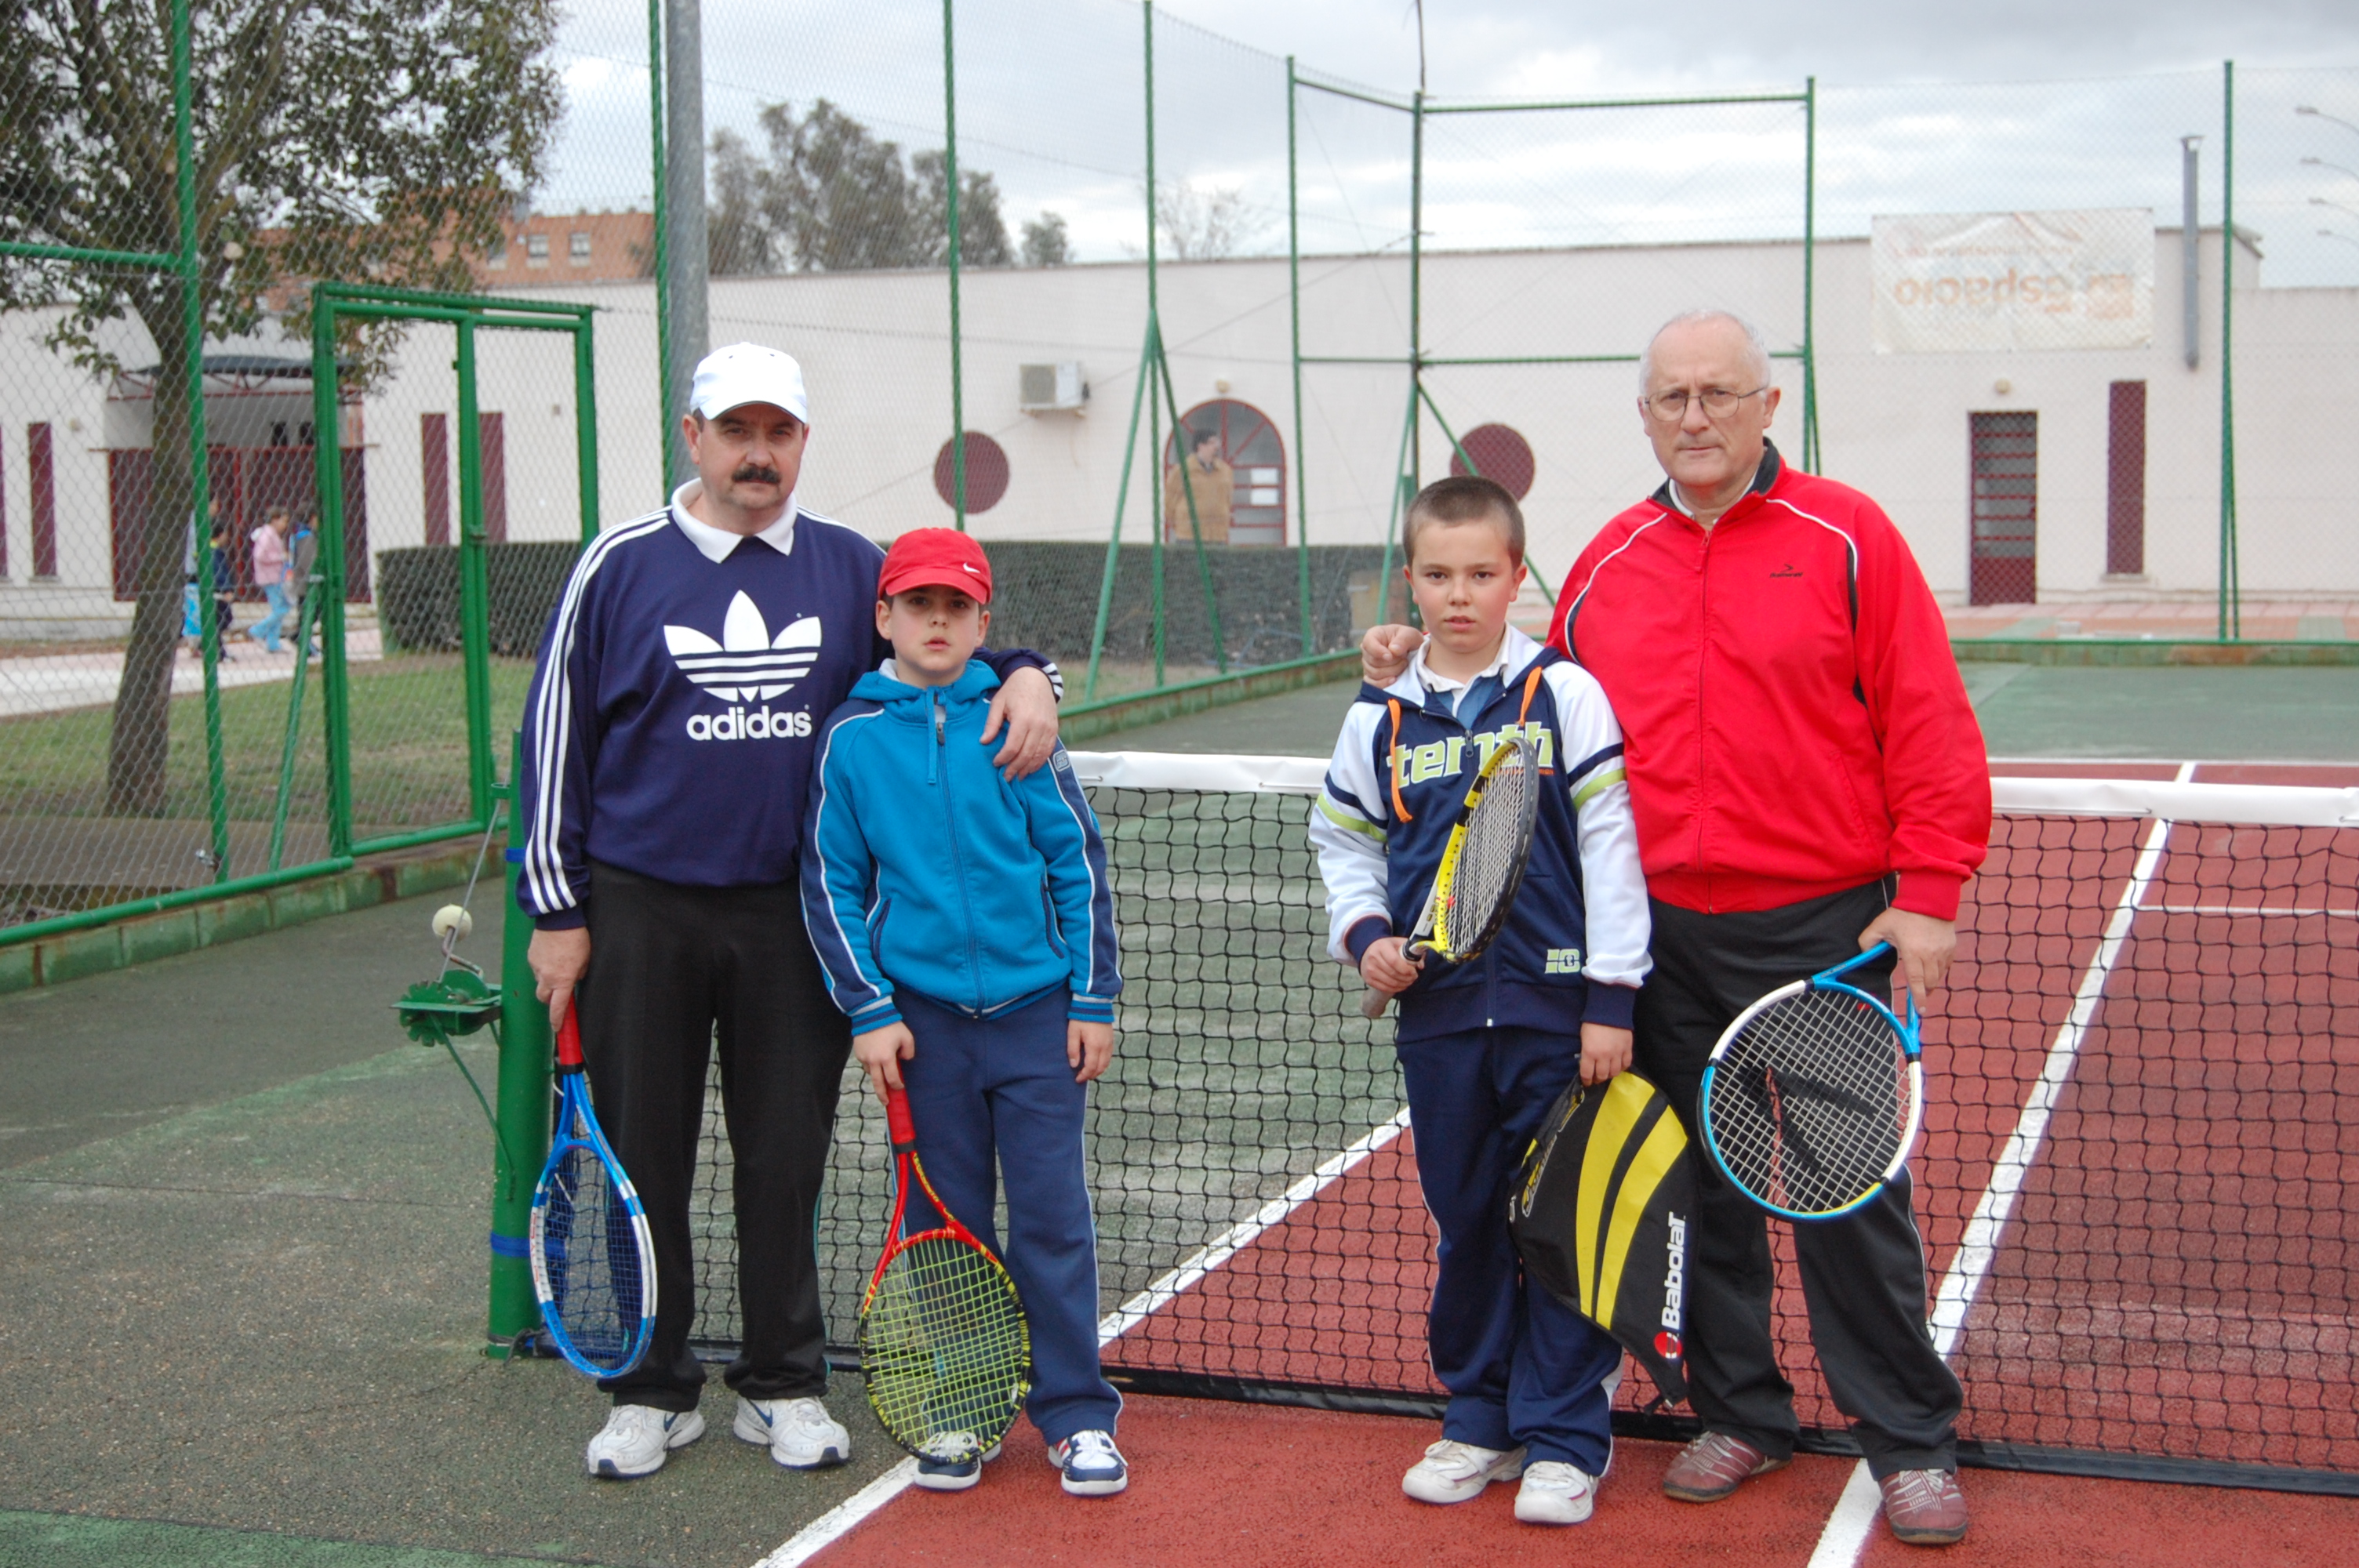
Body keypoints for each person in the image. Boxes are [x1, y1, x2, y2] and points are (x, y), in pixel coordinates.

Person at [1358, 310, 1990, 1548]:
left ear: (1767, 406)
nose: (1695, 418)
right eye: (1673, 398)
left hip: (1822, 936)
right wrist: (1414, 659)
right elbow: (1531, 704)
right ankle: (1740, 1412)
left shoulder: (1849, 537)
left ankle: (1909, 1437)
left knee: (1847, 1194)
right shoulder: (1609, 559)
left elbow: (1927, 717)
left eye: (1718, 394)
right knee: (1690, 1195)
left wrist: (1927, 889)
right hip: (1657, 941)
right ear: (1645, 416)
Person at [517, 343, 1066, 1482]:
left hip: (792, 918)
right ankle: (650, 1389)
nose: (757, 454)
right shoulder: (617, 564)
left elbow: (941, 644)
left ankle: (782, 1382)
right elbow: (553, 736)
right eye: (736, 431)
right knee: (644, 1156)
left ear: (802, 441)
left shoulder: (849, 566)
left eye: (778, 433)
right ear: (694, 437)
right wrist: (558, 908)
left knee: (784, 1157)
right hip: (639, 909)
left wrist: (1029, 673)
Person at [1310, 474, 1651, 1527]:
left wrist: (1610, 998)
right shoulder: (1380, 715)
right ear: (1410, 581)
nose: (1459, 595)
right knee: (1468, 1223)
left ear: (1515, 577)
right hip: (1443, 1020)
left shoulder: (1564, 694)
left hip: (1557, 1012)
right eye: (1438, 574)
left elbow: (1610, 847)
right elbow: (1344, 842)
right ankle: (1479, 1417)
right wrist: (1366, 937)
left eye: (1480, 573)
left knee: (1559, 1225)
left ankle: (1565, 1436)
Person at [802, 528, 1128, 1498]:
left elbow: (1076, 864)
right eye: (918, 604)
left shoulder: (1017, 725)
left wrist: (1090, 997)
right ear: (884, 617)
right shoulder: (851, 740)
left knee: (1053, 1222)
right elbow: (829, 882)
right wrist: (869, 1009)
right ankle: (962, 1404)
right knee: (946, 1228)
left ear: (984, 623)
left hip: (1037, 1020)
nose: (936, 621)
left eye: (956, 606)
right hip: (922, 1029)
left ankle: (1075, 1412)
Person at [1162, 428, 1232, 545]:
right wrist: (1181, 525)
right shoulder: (1182, 470)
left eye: (1217, 443)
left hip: (1217, 536)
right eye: (1212, 443)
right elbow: (1170, 501)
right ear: (1200, 446)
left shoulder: (1225, 471)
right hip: (1189, 537)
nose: (1216, 447)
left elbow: (1228, 498)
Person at [247, 506, 291, 654]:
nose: (285, 525)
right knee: (282, 609)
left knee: (279, 608)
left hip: (274, 576)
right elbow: (260, 555)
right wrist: (281, 557)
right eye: (283, 521)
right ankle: (257, 630)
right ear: (274, 520)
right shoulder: (268, 535)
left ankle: (273, 643)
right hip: (270, 577)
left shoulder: (271, 534)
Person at [285, 511, 320, 658]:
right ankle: (301, 638)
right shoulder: (305, 537)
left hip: (303, 582)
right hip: (305, 584)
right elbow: (307, 561)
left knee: (309, 614)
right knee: (309, 613)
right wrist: (315, 574)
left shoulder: (302, 535)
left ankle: (303, 639)